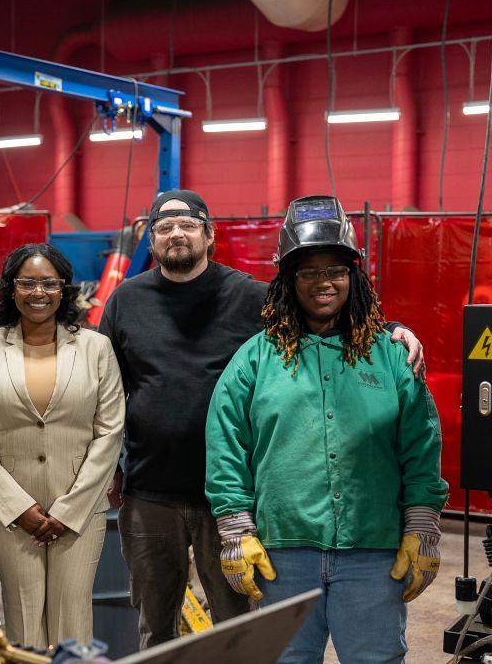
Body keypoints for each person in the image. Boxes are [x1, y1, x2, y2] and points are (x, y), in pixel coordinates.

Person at [98, 189, 427, 648]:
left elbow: (328, 311)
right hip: (150, 491)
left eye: (188, 224)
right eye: (164, 227)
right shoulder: (124, 301)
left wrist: (392, 331)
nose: (176, 234)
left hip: (235, 500)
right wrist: (111, 465)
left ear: (209, 235)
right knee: (155, 624)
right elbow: (107, 390)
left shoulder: (250, 297)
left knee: (240, 628)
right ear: (150, 240)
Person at [205, 195, 449, 663]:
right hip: (282, 555)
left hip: (374, 553)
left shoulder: (393, 355)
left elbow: (421, 446)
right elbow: (226, 446)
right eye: (309, 272)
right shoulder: (256, 358)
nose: (324, 282)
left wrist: (422, 526)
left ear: (353, 277)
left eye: (335, 270)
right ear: (289, 281)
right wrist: (235, 530)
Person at [0, 243, 124, 649]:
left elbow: (109, 432)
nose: (38, 293)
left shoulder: (95, 348)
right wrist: (18, 508)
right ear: (11, 289)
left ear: (64, 289)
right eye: (27, 283)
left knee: (73, 618)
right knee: (23, 616)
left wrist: (69, 510)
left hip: (80, 512)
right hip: (9, 514)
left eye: (49, 283)